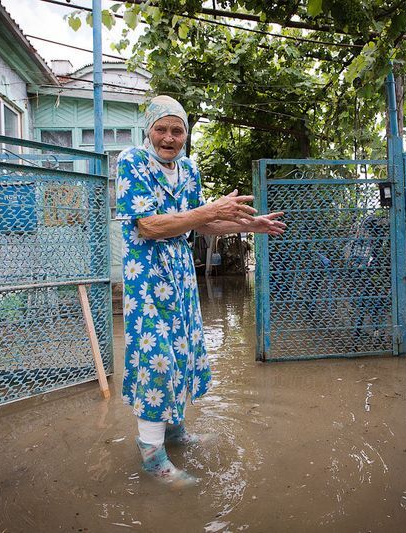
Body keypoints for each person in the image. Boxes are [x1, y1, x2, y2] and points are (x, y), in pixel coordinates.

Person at [116, 95, 285, 486]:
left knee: (181, 351)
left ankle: (174, 433)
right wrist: (208, 211)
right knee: (156, 357)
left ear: (186, 136)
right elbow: (148, 226)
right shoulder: (131, 162)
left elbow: (201, 225)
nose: (169, 138)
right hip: (146, 278)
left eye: (178, 131)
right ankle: (151, 455)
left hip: (180, 276)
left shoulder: (189, 169)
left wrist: (251, 226)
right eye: (162, 129)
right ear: (149, 130)